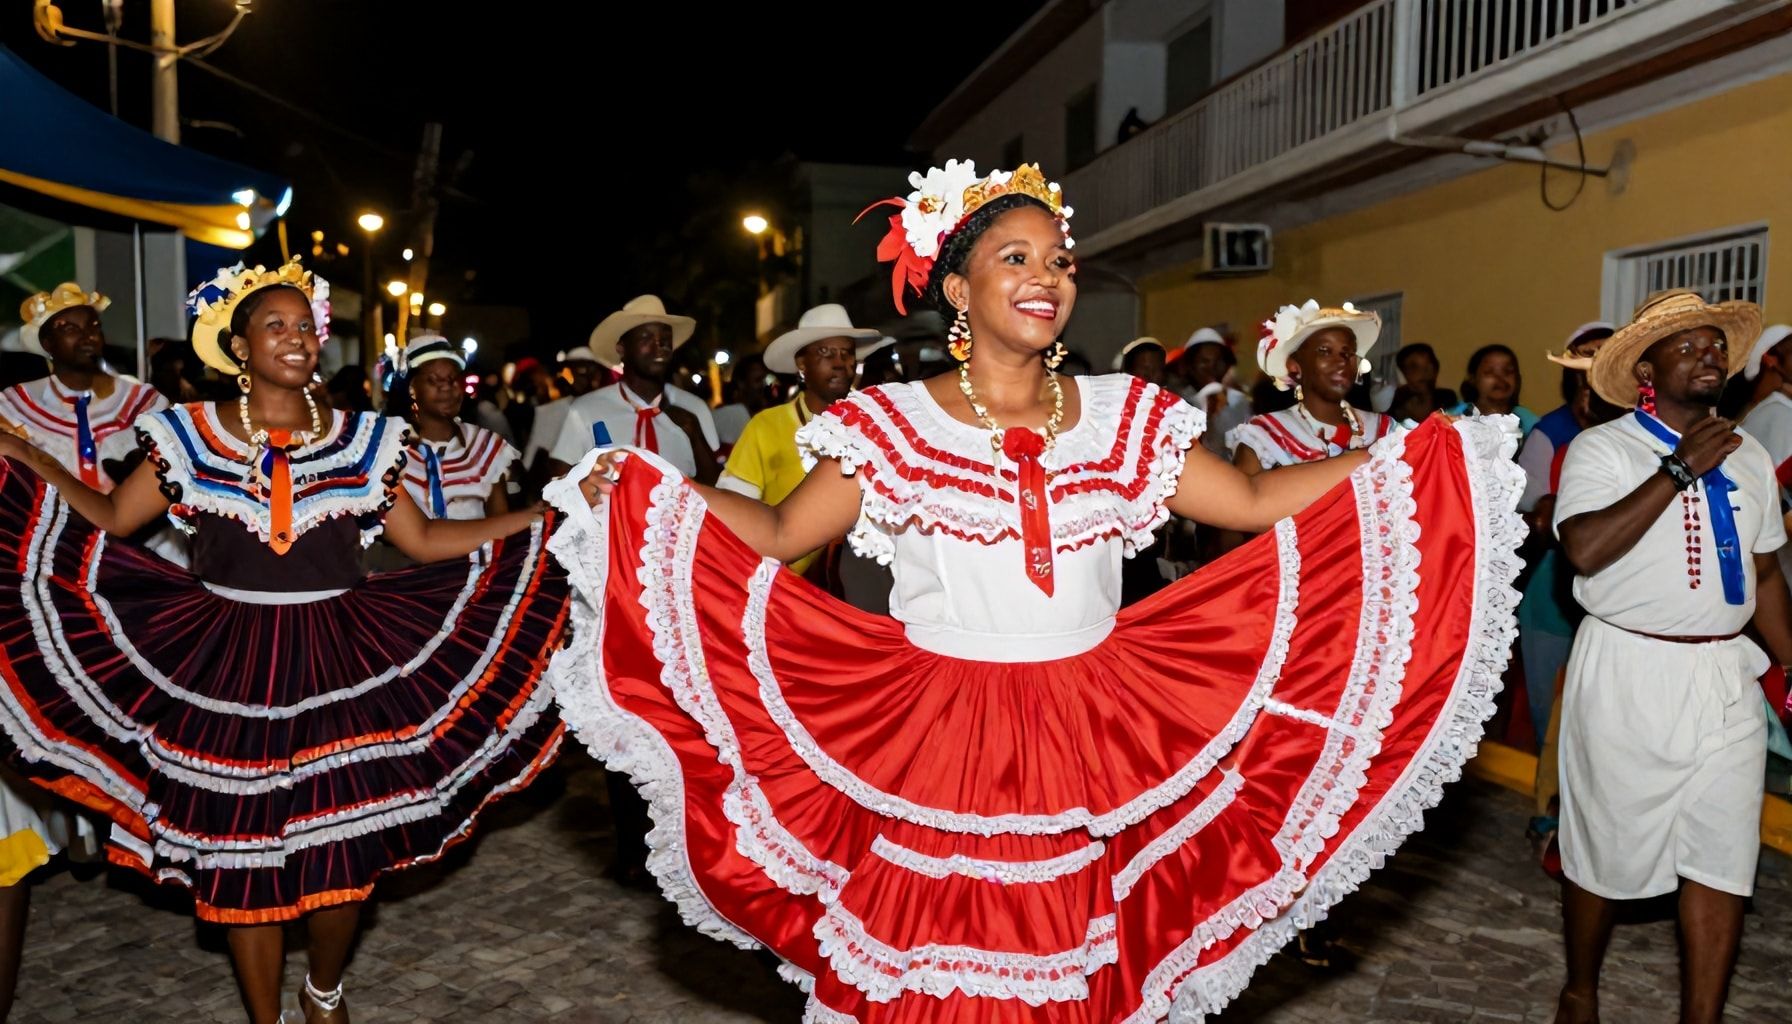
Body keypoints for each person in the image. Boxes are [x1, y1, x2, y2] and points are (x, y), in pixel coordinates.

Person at [546, 161, 1525, 1022]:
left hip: (1094, 726)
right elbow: (775, 532)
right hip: (938, 734)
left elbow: (1257, 496)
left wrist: (1414, 456)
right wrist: (654, 489)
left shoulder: (1123, 416)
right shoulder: (888, 424)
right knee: (937, 971)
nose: (1045, 276)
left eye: (1057, 260)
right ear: (958, 288)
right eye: (1013, 258)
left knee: (1075, 967)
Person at [0, 259, 569, 1023]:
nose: (297, 339)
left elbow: (429, 539)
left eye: (305, 326)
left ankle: (323, 987)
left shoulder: (364, 441)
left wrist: (546, 517)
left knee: (345, 849)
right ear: (238, 346)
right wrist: (30, 461)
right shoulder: (186, 434)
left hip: (343, 656)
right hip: (225, 660)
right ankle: (264, 1018)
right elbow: (107, 520)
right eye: (275, 325)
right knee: (245, 852)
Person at [1552, 290, 1792, 1024]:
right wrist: (1678, 471)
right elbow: (1584, 550)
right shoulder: (1605, 448)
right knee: (1605, 847)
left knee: (1723, 855)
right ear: (1647, 370)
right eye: (1686, 347)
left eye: (1715, 345)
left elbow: (1765, 573)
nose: (1709, 355)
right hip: (1628, 669)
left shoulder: (1748, 452)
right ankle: (1581, 989)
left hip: (1724, 676)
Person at [1513, 321, 1618, 873]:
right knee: (1552, 716)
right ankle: (1550, 819)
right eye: (1588, 358)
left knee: (1597, 724)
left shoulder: (1642, 430)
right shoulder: (1551, 431)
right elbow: (1532, 508)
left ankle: (1592, 829)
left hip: (1614, 603)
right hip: (1554, 597)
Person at [719, 304, 875, 576]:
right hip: (786, 588)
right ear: (802, 364)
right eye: (825, 352)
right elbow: (733, 511)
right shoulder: (765, 427)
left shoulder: (877, 426)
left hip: (860, 586)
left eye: (846, 353)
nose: (839, 362)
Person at [549, 295, 719, 483]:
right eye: (646, 337)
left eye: (665, 337)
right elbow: (559, 482)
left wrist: (695, 436)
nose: (660, 345)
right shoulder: (587, 410)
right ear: (621, 349)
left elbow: (718, 489)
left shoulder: (693, 408)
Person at [1229, 301, 1398, 477]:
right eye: (1324, 351)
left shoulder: (1385, 431)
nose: (1341, 361)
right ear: (1295, 366)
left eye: (1348, 353)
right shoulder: (1264, 439)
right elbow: (1244, 502)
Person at [397, 335, 518, 520]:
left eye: (453, 379)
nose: (447, 387)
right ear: (412, 388)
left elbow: (499, 525)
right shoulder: (392, 451)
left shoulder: (485, 446)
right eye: (435, 380)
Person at [1171, 327, 1250, 461]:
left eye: (1217, 362)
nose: (1211, 368)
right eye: (1204, 361)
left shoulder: (1240, 403)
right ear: (1189, 366)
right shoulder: (1177, 403)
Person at [1451, 344, 1539, 435]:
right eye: (1489, 372)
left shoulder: (1529, 422)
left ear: (1517, 379)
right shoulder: (1452, 419)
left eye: (1508, 371)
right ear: (1473, 379)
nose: (1500, 378)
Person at [1394, 342, 1458, 415]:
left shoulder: (1447, 398)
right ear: (1403, 372)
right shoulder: (1396, 403)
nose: (1426, 372)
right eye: (1414, 366)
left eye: (1430, 365)